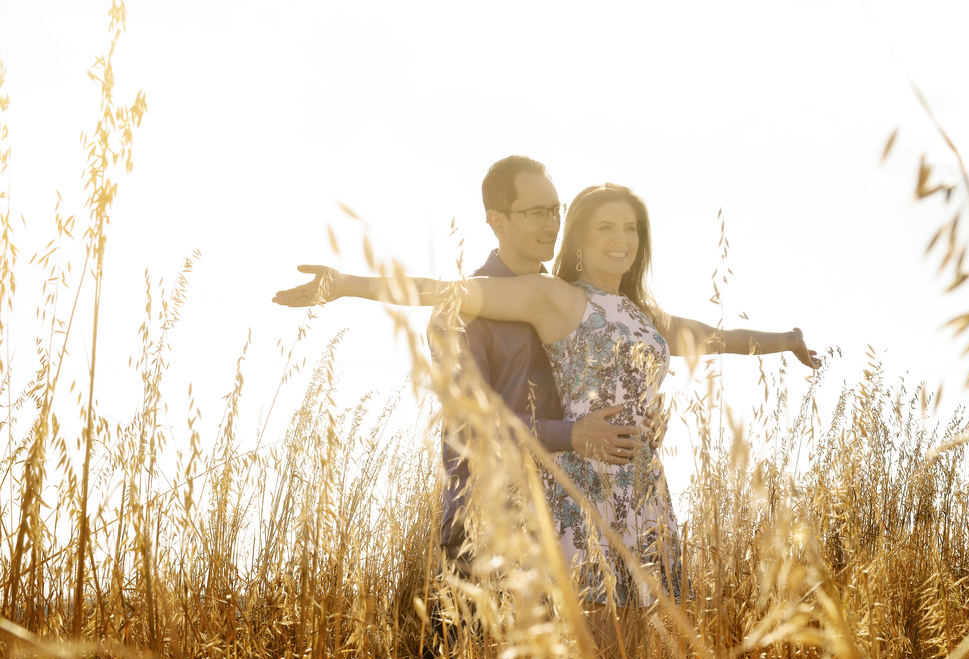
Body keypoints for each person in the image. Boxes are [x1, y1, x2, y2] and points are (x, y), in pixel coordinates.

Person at [275, 175, 821, 615]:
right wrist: (347, 285)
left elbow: (715, 337)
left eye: (630, 228)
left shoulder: (638, 313)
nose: (621, 238)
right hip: (573, 488)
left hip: (643, 486)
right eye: (604, 227)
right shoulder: (548, 298)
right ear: (577, 238)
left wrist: (786, 340)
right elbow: (445, 295)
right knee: (587, 656)